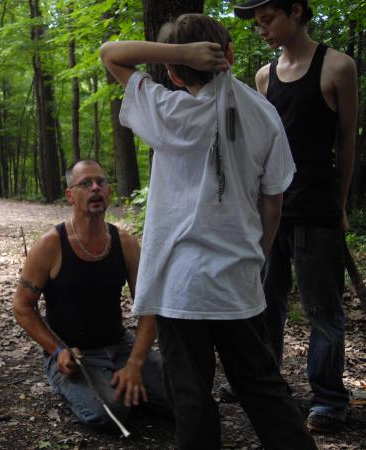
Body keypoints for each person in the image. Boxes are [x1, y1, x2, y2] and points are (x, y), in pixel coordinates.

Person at [101, 13, 317, 449]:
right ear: (230, 54)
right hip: (237, 280)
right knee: (263, 389)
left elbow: (111, 54)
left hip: (181, 288)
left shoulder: (167, 108)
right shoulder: (264, 112)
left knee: (192, 396)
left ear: (176, 76)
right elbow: (272, 203)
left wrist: (177, 54)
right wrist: (257, 255)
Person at [232, 0, 358, 433]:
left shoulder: (337, 67)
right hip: (270, 208)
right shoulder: (264, 77)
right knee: (265, 301)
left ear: (297, 11)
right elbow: (260, 148)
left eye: (268, 19)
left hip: (316, 209)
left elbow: (346, 144)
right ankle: (266, 383)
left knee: (322, 308)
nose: (261, 29)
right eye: (258, 23)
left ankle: (328, 398)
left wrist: (339, 206)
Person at [12, 159, 172, 429]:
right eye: (86, 183)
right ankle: (78, 384)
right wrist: (57, 350)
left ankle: (126, 381)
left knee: (183, 400)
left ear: (109, 192)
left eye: (101, 182)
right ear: (70, 195)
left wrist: (135, 362)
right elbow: (22, 306)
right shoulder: (51, 244)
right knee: (110, 412)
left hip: (122, 347)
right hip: (75, 356)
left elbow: (150, 305)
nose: (95, 188)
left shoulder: (125, 243)